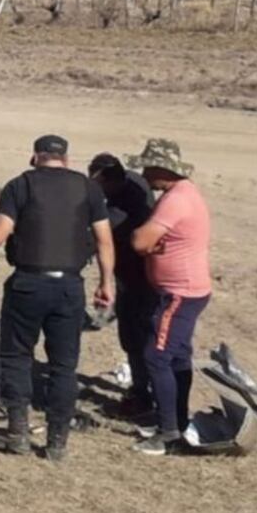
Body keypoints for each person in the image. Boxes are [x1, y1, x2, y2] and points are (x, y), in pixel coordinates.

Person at [0, 135, 114, 461]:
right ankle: (57, 443)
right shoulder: (88, 189)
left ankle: (18, 432)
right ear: (67, 160)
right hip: (69, 287)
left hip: (28, 283)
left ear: (35, 157)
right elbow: (104, 240)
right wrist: (106, 283)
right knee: (64, 366)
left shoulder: (20, 185)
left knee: (17, 357)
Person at [127, 139, 211, 456]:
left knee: (156, 357)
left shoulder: (175, 201)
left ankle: (168, 432)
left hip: (178, 292)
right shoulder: (185, 193)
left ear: (164, 170)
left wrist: (148, 244)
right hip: (188, 290)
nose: (146, 174)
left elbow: (139, 240)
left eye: (149, 168)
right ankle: (173, 416)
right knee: (176, 358)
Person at [88, 153, 155, 417]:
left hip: (137, 279)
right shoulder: (133, 181)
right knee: (136, 339)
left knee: (137, 338)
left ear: (107, 181)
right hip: (133, 276)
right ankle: (143, 390)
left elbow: (97, 232)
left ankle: (144, 395)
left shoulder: (121, 208)